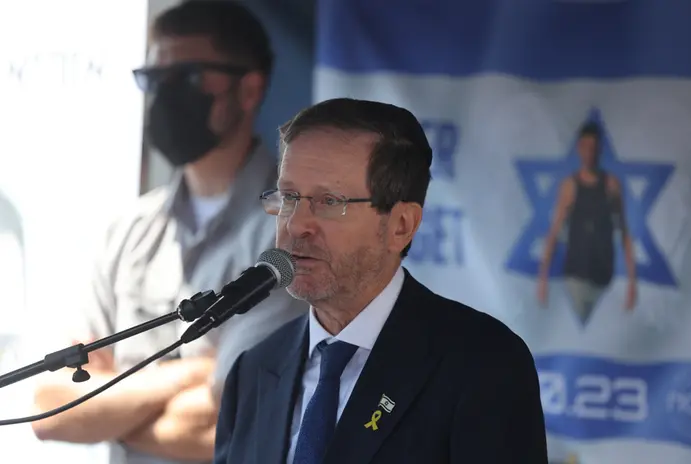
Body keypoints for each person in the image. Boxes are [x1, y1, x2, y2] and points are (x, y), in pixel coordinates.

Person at [30, 2, 305, 463]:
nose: (167, 95)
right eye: (154, 80)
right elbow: (51, 407)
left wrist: (107, 411)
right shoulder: (128, 231)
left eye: (190, 77)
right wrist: (191, 375)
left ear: (250, 88)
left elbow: (233, 419)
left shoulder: (292, 235)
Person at [213, 98, 548, 464]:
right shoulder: (255, 371)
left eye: (329, 201)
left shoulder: (483, 366)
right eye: (290, 197)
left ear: (401, 226)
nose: (296, 225)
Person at [536, 121, 637, 325]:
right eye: (586, 147)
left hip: (604, 277)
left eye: (594, 148)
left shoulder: (611, 186)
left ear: (600, 150)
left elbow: (624, 233)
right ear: (579, 149)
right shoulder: (569, 186)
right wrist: (543, 278)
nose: (590, 153)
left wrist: (632, 282)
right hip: (576, 276)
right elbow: (554, 233)